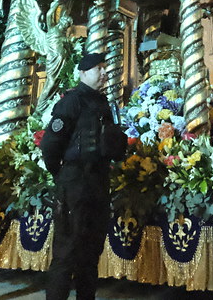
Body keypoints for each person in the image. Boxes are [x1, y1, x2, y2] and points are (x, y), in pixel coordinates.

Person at [40, 52, 127, 300]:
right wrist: (64, 177)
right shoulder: (72, 101)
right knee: (67, 254)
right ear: (83, 73)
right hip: (75, 183)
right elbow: (50, 146)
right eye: (98, 68)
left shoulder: (103, 104)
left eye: (104, 67)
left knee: (91, 254)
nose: (104, 72)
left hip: (98, 184)